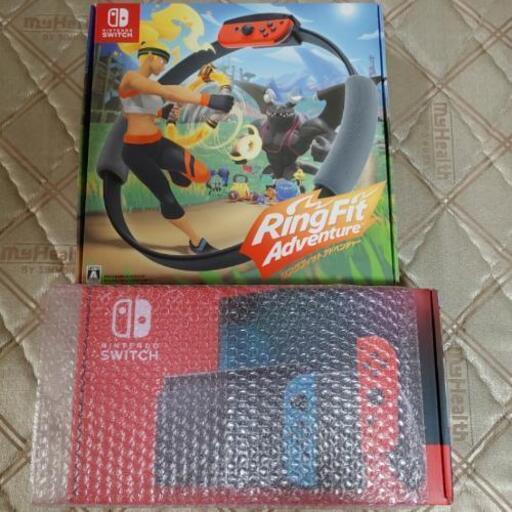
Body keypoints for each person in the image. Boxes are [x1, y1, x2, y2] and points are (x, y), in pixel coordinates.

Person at [119, 41, 234, 254]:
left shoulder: (148, 87)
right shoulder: (131, 78)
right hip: (136, 153)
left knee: (201, 174)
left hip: (157, 144)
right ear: (150, 56)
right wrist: (209, 100)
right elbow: (168, 92)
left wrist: (161, 113)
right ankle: (196, 242)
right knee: (167, 198)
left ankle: (171, 169)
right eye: (163, 61)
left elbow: (131, 111)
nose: (164, 66)